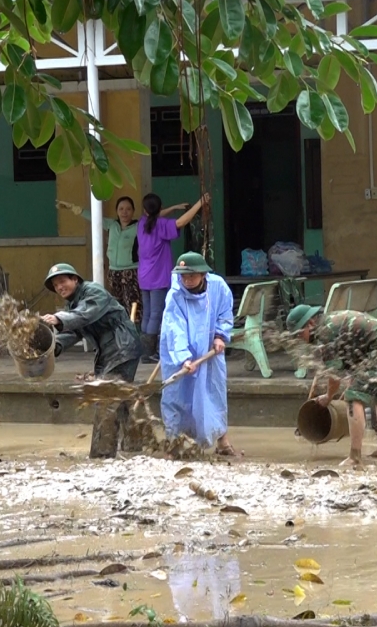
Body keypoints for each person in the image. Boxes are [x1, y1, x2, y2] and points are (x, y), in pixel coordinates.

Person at [41, 263, 142, 457]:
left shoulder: (93, 292)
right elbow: (75, 330)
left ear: (75, 279)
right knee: (119, 397)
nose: (59, 287)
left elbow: (85, 315)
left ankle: (101, 456)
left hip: (122, 347)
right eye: (55, 285)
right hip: (109, 351)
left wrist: (58, 318)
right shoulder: (72, 305)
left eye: (63, 281)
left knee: (105, 398)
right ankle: (134, 446)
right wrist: (53, 347)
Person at [285, 305, 377, 467]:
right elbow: (350, 359)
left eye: (300, 334)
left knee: (353, 398)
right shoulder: (330, 323)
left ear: (311, 324)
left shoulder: (324, 334)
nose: (299, 339)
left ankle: (355, 456)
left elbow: (334, 376)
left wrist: (328, 398)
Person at [159, 252, 236, 456]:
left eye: (192, 276)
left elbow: (225, 313)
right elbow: (175, 328)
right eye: (183, 276)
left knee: (213, 393)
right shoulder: (175, 294)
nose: (187, 280)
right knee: (177, 396)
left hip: (210, 350)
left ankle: (222, 441)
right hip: (179, 353)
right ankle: (175, 442)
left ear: (203, 275)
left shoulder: (218, 287)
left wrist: (220, 335)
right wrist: (184, 357)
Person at [137, 192, 209, 364]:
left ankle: (144, 351)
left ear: (145, 210)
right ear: (159, 208)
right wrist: (200, 203)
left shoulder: (142, 223)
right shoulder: (161, 224)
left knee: (147, 313)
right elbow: (181, 222)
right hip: (158, 275)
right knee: (156, 314)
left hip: (144, 275)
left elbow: (155, 214)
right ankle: (149, 353)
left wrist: (174, 208)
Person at [81, 195, 142, 314]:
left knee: (134, 304)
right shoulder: (111, 224)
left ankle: (135, 330)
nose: (124, 212)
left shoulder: (139, 226)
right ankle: (120, 330)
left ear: (133, 211)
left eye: (128, 209)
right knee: (117, 305)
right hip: (114, 272)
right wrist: (76, 209)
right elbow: (93, 217)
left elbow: (154, 219)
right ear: (117, 211)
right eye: (121, 209)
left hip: (132, 271)